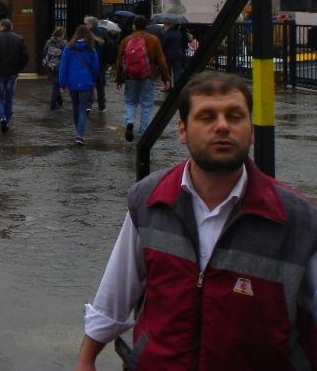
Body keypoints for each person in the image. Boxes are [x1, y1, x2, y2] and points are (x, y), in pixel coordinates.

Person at [75, 71, 317, 370]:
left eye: (235, 116)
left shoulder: (299, 220)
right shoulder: (150, 200)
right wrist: (86, 358)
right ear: (182, 131)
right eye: (207, 117)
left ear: (251, 131)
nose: (223, 126)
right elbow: (118, 288)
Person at [114, 15, 171, 141]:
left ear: (134, 26)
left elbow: (119, 61)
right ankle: (143, 133)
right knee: (146, 105)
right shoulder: (153, 40)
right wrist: (166, 78)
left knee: (130, 102)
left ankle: (130, 122)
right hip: (148, 76)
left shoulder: (126, 40)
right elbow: (162, 61)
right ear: (146, 26)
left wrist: (118, 79)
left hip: (130, 76)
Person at [58, 26, 100, 146]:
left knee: (75, 107)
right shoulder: (91, 49)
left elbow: (63, 67)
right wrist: (93, 79)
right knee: (83, 108)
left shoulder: (69, 48)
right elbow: (95, 68)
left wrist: (62, 83)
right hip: (86, 82)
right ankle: (80, 135)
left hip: (72, 82)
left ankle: (78, 132)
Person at [0, 18, 29, 133]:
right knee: (9, 97)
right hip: (12, 73)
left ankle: (2, 117)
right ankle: (7, 119)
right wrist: (18, 68)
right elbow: (25, 57)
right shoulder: (19, 39)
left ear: (2, 27)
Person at [82, 16, 109, 112]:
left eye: (87, 23)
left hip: (95, 62)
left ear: (91, 24)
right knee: (97, 84)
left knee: (96, 84)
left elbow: (102, 42)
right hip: (95, 61)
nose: (86, 25)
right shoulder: (87, 32)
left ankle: (95, 105)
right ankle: (95, 105)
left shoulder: (98, 32)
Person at [41, 26, 68, 111]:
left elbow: (44, 52)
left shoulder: (49, 41)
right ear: (63, 34)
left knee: (56, 83)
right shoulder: (64, 43)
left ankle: (60, 101)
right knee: (56, 85)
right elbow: (66, 55)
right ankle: (52, 105)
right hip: (59, 66)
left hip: (49, 65)